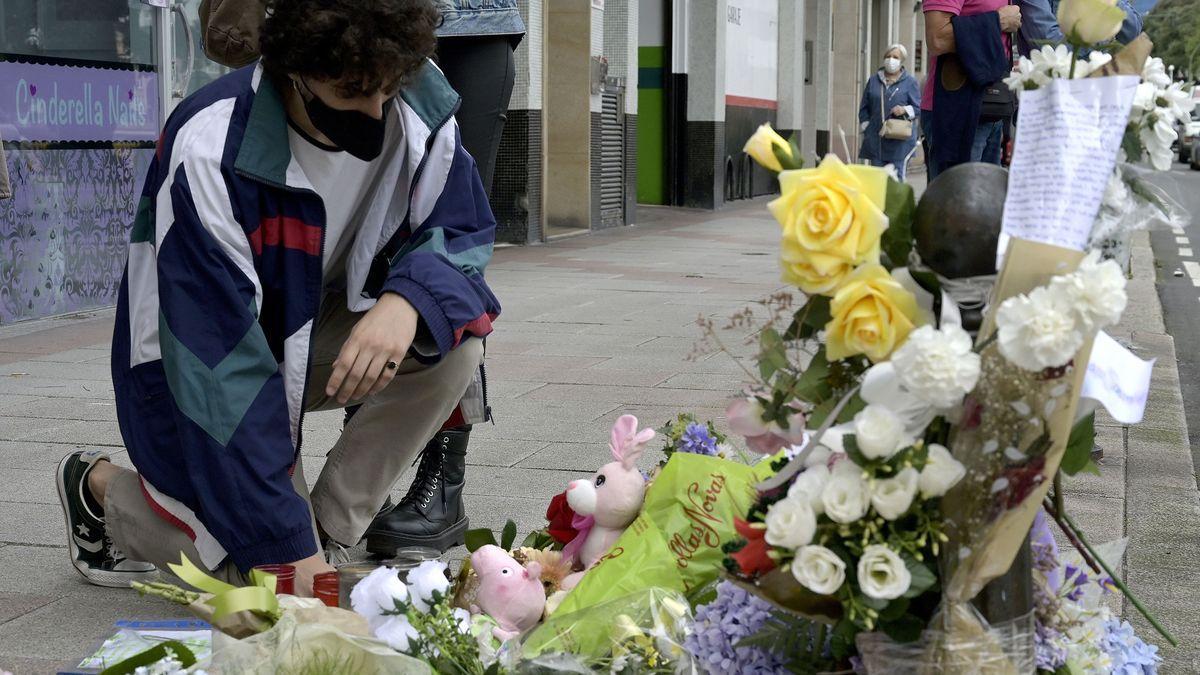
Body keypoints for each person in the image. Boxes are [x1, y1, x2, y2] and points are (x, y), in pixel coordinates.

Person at [55, 0, 499, 596]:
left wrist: (407, 301)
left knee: (454, 344)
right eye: (350, 93)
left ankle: (328, 529)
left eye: (387, 91)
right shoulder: (212, 147)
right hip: (192, 369)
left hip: (311, 327)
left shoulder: (414, 94)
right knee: (252, 582)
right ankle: (99, 488)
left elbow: (463, 227)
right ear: (295, 72)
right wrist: (281, 548)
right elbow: (223, 375)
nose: (375, 111)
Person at [360, 0, 524, 556]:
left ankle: (443, 485)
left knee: (446, 260)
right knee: (366, 247)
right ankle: (367, 473)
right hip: (358, 23)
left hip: (474, 28)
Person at [922, 0, 1022, 180]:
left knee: (986, 202)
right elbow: (937, 38)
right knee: (956, 201)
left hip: (991, 109)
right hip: (958, 109)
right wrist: (999, 21)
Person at [858, 44, 921, 181]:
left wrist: (904, 109)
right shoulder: (874, 80)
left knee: (896, 180)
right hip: (877, 139)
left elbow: (918, 108)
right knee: (877, 180)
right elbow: (864, 107)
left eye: (895, 57)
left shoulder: (910, 82)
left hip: (899, 141)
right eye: (888, 56)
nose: (891, 60)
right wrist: (866, 125)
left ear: (901, 60)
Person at [1016, 0, 1143, 57]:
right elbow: (1051, 46)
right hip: (1051, 94)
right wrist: (1103, 39)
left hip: (1098, 89)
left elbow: (1132, 34)